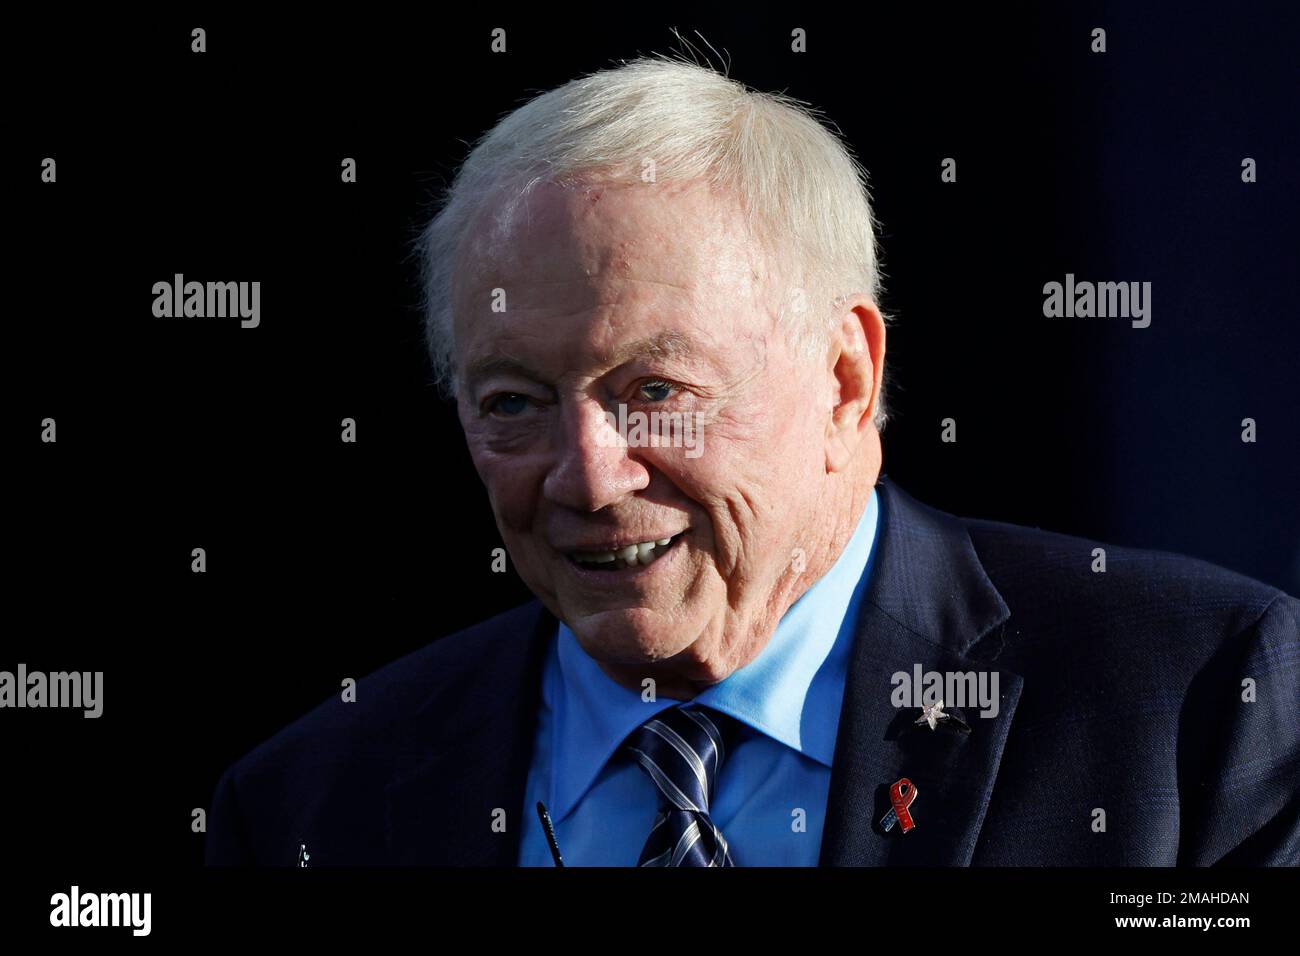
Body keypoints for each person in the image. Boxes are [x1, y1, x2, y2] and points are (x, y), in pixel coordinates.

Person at [205, 58, 1299, 867]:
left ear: (843, 380)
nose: (586, 476)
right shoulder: (310, 807)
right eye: (512, 403)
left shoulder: (1195, 705)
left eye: (656, 392)